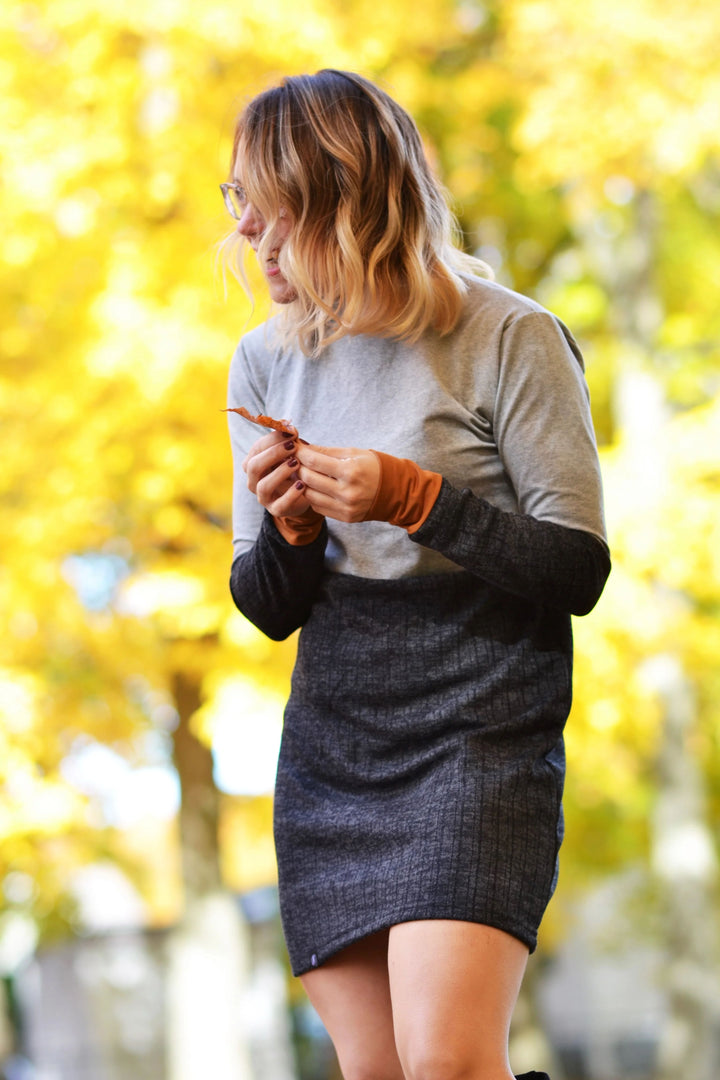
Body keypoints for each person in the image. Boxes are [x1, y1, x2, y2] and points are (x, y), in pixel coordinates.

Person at [223, 69, 610, 1080]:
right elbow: (264, 607)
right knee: (378, 1073)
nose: (252, 236)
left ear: (352, 197)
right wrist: (292, 529)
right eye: (240, 204)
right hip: (336, 745)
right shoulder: (263, 361)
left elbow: (576, 568)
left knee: (447, 1063)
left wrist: (417, 500)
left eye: (277, 208)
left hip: (478, 732)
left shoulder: (509, 334)